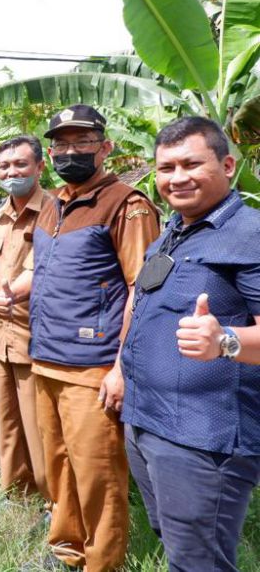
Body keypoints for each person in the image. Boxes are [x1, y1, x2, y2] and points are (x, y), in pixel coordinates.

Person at [120, 117, 260, 572]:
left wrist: (225, 340)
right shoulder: (173, 231)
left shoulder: (251, 234)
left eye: (191, 164)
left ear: (227, 165)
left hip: (202, 437)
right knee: (176, 543)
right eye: (166, 168)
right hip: (145, 421)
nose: (177, 177)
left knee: (199, 562)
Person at [27, 105, 160, 572]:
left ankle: (102, 562)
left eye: (82, 142)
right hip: (46, 358)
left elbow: (143, 290)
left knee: (97, 474)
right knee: (59, 467)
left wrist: (122, 368)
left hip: (94, 365)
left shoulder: (126, 204)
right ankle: (67, 550)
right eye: (61, 144)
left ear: (105, 147)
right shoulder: (52, 204)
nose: (70, 152)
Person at [0, 136, 52, 505]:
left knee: (41, 426)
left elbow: (45, 268)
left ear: (39, 167)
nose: (11, 172)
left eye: (20, 164)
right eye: (4, 166)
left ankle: (52, 500)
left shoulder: (54, 210)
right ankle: (16, 491)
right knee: (6, 420)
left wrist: (13, 294)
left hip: (37, 336)